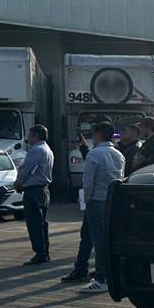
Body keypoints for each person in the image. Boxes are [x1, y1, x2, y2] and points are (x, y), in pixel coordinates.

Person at [62, 121, 125, 292]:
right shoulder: (119, 155)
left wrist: (86, 201)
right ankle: (97, 272)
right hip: (110, 200)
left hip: (96, 200)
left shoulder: (94, 154)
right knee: (98, 238)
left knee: (97, 241)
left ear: (98, 134)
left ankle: (101, 278)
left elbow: (88, 182)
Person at [14, 124, 55, 265]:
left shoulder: (36, 150)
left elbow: (25, 169)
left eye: (29, 135)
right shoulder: (47, 149)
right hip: (43, 189)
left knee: (34, 223)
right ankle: (44, 251)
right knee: (42, 222)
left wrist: (18, 183)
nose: (28, 138)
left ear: (36, 136)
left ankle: (40, 253)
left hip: (34, 190)